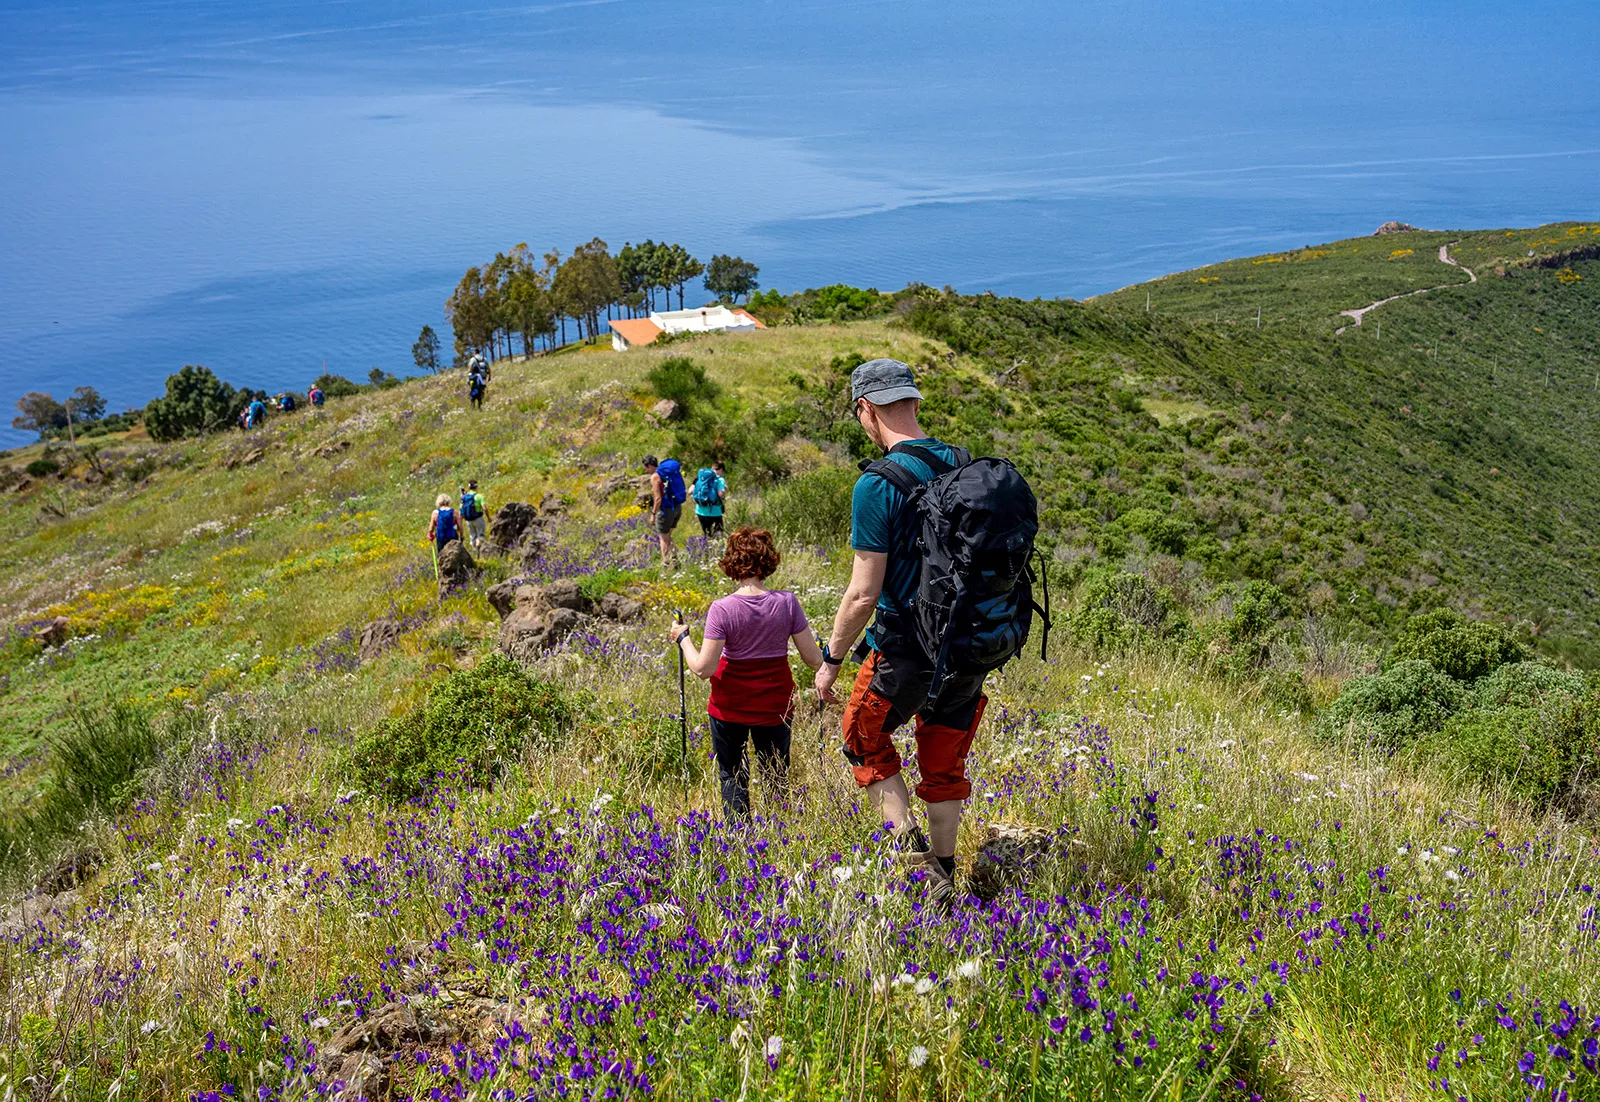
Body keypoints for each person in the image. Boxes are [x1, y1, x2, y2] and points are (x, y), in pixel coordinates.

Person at [812, 358, 984, 904]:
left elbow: (864, 592)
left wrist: (831, 658)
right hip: (967, 643)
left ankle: (910, 853)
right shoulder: (962, 463)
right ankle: (947, 870)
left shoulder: (875, 485)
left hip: (905, 647)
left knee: (861, 736)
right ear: (914, 401)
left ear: (866, 409)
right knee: (943, 751)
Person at [669, 527, 824, 820]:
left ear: (731, 561)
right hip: (775, 705)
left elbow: (703, 668)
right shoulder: (787, 602)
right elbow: (814, 660)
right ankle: (779, 833)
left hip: (730, 707)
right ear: (769, 561)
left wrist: (683, 638)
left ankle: (740, 838)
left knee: (732, 774)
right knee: (776, 773)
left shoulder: (722, 609)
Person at [643, 455, 686, 567]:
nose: (646, 471)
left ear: (650, 466)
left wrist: (653, 514)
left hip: (666, 510)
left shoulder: (655, 477)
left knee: (663, 537)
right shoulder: (669, 473)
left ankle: (666, 563)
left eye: (646, 468)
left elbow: (658, 499)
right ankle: (676, 557)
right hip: (677, 507)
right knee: (668, 535)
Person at [692, 460, 728, 537]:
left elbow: (690, 491)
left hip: (700, 511)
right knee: (718, 535)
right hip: (715, 512)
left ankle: (705, 548)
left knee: (707, 535)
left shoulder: (702, 477)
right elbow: (720, 494)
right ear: (721, 470)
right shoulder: (720, 479)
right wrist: (724, 490)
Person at [459, 480, 488, 549]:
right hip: (478, 519)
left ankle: (474, 550)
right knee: (480, 535)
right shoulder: (479, 496)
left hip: (468, 520)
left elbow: (461, 510)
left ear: (469, 487)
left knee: (472, 537)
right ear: (476, 486)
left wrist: (461, 521)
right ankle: (479, 549)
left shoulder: (464, 497)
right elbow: (485, 508)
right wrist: (489, 518)